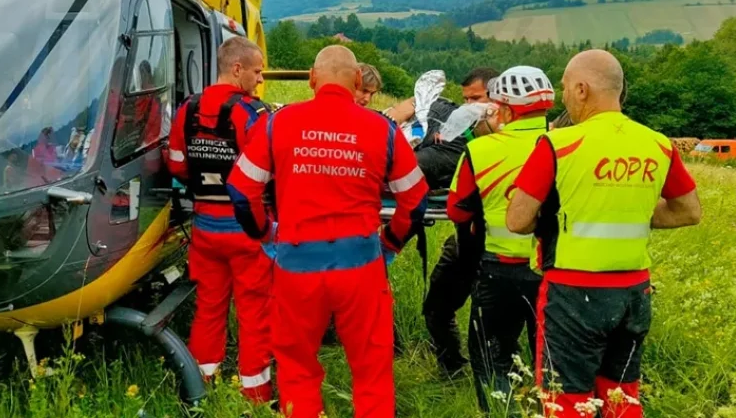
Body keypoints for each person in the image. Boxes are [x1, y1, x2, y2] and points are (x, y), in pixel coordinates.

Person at [227, 45, 429, 418]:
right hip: (361, 269)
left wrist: (265, 235)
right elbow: (415, 201)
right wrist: (390, 243)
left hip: (296, 267)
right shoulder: (382, 129)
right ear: (356, 81)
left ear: (311, 79)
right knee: (372, 370)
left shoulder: (279, 122)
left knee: (296, 366)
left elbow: (241, 190)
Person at [506, 50, 702, 417]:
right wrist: (632, 212)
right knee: (621, 396)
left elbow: (517, 220)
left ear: (581, 89)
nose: (563, 97)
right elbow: (688, 211)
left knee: (565, 400)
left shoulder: (558, 144)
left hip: (571, 291)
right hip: (634, 292)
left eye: (565, 88)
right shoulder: (658, 144)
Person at [164, 37, 274, 403]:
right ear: (237, 68)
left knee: (209, 308)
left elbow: (177, 164)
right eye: (257, 71)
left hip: (205, 228)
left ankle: (201, 385)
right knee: (254, 311)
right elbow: (266, 173)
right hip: (245, 229)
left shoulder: (187, 109)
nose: (260, 79)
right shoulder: (252, 114)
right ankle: (254, 392)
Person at [447, 66, 554, 412]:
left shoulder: (481, 150)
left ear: (504, 109)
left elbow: (456, 210)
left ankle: (497, 411)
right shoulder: (566, 145)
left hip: (499, 270)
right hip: (554, 270)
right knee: (552, 360)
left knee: (493, 357)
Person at [421, 66, 499, 376]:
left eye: (476, 99)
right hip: (465, 241)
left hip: (499, 251)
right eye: (466, 99)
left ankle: (498, 380)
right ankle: (452, 369)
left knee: (493, 324)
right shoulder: (461, 136)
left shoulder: (523, 143)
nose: (470, 107)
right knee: (436, 311)